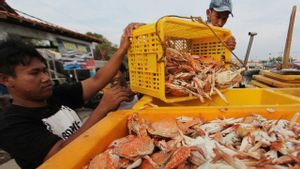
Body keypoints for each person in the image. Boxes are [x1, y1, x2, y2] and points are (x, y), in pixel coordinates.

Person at [0, 22, 143, 169]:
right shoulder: (10, 125)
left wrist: (122, 49)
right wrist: (102, 110)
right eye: (34, 73)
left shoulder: (55, 95)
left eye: (44, 71)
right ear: (5, 79)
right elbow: (60, 153)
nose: (45, 78)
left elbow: (97, 80)